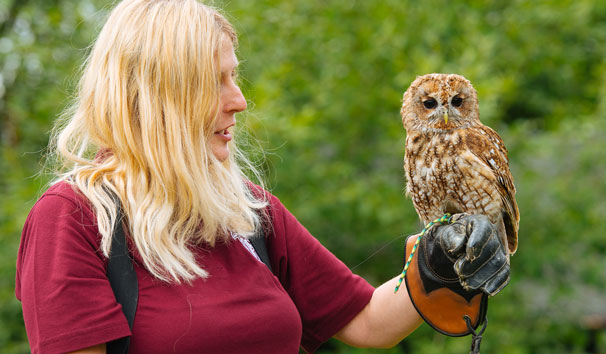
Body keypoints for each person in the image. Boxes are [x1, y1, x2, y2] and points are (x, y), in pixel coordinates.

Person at [15, 0, 510, 353]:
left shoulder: (245, 210)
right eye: (216, 82)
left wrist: (440, 261)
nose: (239, 100)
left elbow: (366, 321)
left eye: (236, 77)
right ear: (154, 96)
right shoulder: (75, 218)